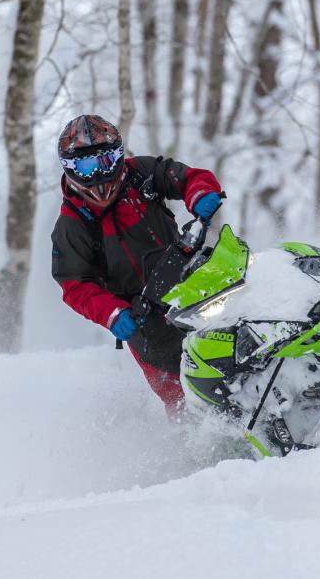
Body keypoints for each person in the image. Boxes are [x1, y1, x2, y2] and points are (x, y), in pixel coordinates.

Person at [50, 114, 224, 416]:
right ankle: (196, 450)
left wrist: (199, 193)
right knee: (182, 398)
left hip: (192, 283)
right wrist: (112, 313)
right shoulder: (72, 224)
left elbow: (184, 176)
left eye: (105, 161)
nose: (99, 174)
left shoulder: (139, 174)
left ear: (118, 156)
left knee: (234, 340)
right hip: (145, 321)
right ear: (72, 169)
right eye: (88, 167)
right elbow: (74, 284)